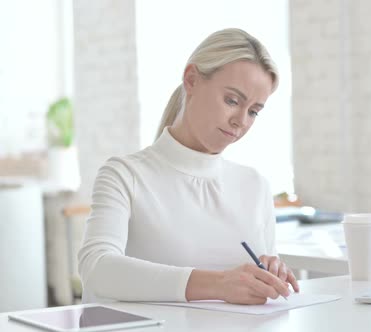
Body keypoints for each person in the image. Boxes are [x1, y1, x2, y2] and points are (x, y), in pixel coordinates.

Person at [78, 28, 299, 305]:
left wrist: (270, 273)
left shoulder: (254, 185)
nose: (241, 121)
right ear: (191, 80)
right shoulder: (125, 175)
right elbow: (97, 269)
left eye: (254, 111)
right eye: (232, 100)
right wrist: (219, 284)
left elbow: (259, 280)